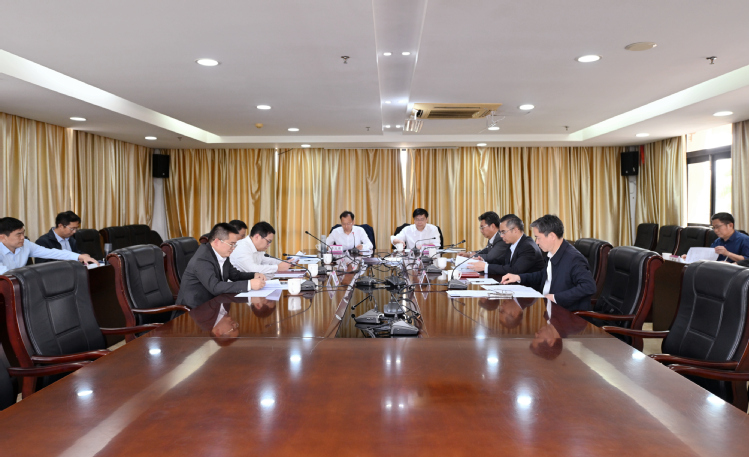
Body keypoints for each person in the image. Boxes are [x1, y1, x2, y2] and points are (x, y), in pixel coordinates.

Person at [500, 214, 596, 312]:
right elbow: (544, 275)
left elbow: (589, 287)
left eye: (538, 238)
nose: (536, 242)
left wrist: (555, 297)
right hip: (547, 308)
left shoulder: (574, 258)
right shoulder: (553, 253)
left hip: (566, 314)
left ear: (552, 236)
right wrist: (518, 277)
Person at [176, 222, 266, 309]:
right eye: (231, 244)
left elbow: (235, 275)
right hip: (193, 311)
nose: (233, 248)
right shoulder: (202, 259)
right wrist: (249, 284)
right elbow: (215, 287)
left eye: (235, 245)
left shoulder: (222, 254)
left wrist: (254, 275)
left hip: (213, 305)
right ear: (217, 242)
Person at [0, 217, 97, 274]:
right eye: (18, 235)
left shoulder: (26, 244)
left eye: (23, 233)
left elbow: (51, 252)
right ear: (2, 237)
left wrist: (79, 256)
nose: (23, 237)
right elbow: (5, 274)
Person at [469, 214, 545, 276]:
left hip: (527, 287)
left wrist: (486, 267)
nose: (501, 236)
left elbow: (514, 270)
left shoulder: (528, 246)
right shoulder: (512, 243)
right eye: (500, 232)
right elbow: (502, 261)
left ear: (515, 230)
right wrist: (484, 262)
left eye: (503, 232)